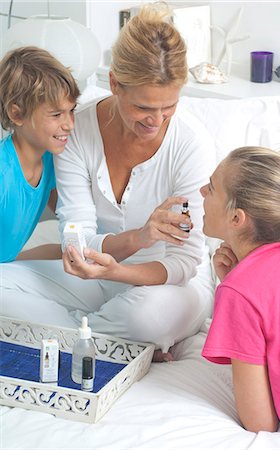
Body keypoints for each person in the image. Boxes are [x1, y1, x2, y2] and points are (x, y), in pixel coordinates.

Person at [1, 4, 216, 361]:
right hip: (92, 276)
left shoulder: (190, 144)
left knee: (144, 318)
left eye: (169, 106)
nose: (157, 120)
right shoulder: (77, 128)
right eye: (144, 107)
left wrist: (124, 269)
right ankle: (112, 345)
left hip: (166, 286)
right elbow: (76, 234)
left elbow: (185, 261)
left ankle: (79, 337)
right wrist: (135, 239)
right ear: (114, 83)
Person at [200, 146, 280, 431]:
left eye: (212, 188)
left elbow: (260, 423)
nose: (201, 191)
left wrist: (236, 291)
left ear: (236, 218)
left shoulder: (241, 292)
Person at [0, 46, 80, 263]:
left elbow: (69, 213)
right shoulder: (3, 174)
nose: (69, 125)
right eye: (56, 114)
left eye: (71, 110)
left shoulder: (52, 160)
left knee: (74, 252)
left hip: (8, 262)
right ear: (16, 114)